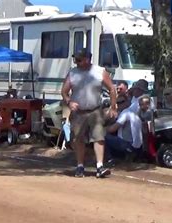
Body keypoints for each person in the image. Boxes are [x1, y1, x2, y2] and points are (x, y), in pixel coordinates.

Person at [61, 48, 117, 178]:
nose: (76, 62)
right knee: (79, 139)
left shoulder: (99, 72)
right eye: (75, 59)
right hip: (79, 112)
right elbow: (64, 91)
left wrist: (113, 107)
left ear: (87, 59)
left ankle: (99, 166)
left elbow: (112, 89)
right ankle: (80, 166)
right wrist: (69, 102)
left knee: (99, 137)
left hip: (95, 110)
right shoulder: (73, 73)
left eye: (79, 60)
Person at [104, 95, 143, 164]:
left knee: (103, 135)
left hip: (130, 145)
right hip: (138, 147)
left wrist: (101, 129)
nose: (120, 104)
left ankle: (109, 160)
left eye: (122, 102)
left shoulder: (125, 113)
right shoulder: (133, 111)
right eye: (118, 102)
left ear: (127, 102)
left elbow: (112, 129)